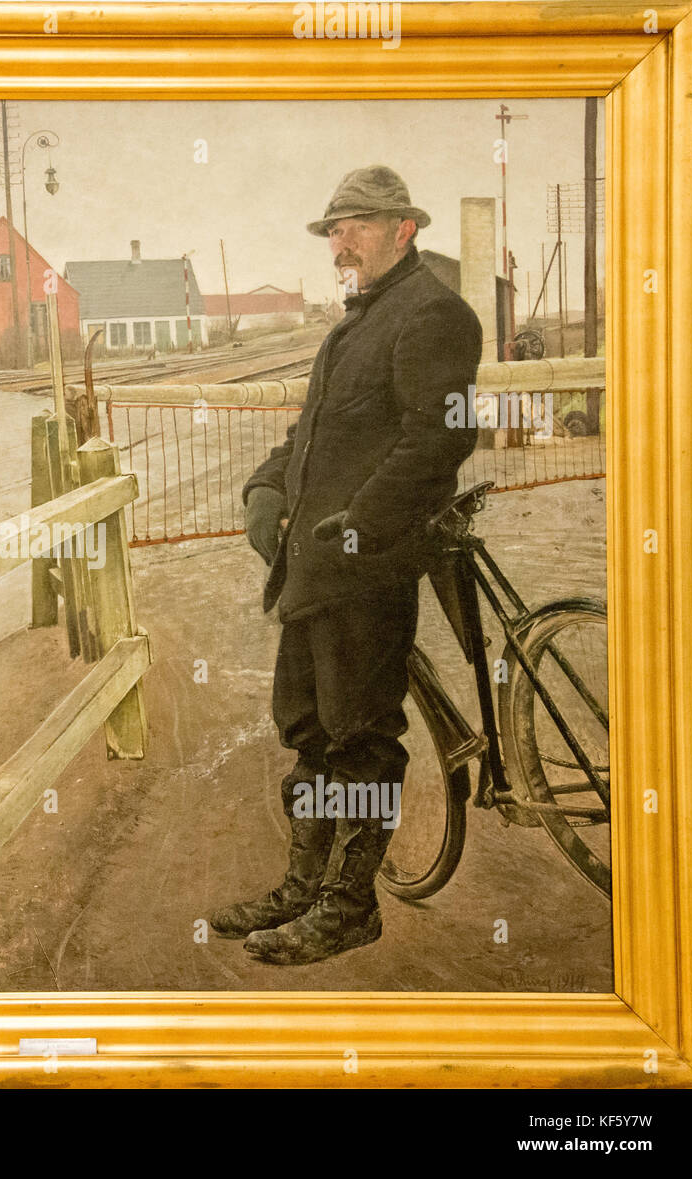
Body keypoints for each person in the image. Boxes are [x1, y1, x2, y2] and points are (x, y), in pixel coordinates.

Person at [209, 165, 483, 965]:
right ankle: (304, 886)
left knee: (361, 736)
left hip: (367, 569)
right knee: (307, 729)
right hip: (312, 576)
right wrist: (266, 484)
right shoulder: (353, 326)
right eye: (334, 229)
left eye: (355, 226)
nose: (339, 242)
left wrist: (358, 524)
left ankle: (350, 904)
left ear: (404, 229)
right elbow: (311, 436)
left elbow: (440, 441)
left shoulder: (434, 316)